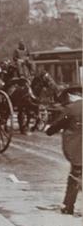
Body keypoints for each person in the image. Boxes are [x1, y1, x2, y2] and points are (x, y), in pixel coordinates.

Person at [45, 86, 82, 215]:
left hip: (78, 148)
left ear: (71, 96)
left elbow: (58, 124)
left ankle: (68, 206)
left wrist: (49, 131)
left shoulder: (71, 109)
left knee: (75, 175)